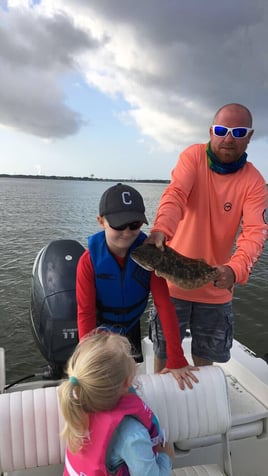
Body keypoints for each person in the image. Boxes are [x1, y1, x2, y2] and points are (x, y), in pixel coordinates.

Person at [146, 103, 268, 367]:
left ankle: (200, 404)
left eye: (238, 132)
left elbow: (255, 232)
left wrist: (235, 270)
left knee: (205, 363)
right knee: (165, 356)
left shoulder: (255, 182)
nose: (228, 138)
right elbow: (176, 194)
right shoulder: (193, 157)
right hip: (171, 284)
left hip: (216, 287)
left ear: (249, 136)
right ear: (211, 131)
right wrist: (161, 229)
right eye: (223, 130)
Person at [76, 182, 198, 389]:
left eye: (134, 225)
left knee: (128, 378)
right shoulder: (88, 261)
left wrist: (176, 358)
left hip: (131, 326)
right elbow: (85, 313)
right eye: (118, 224)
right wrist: (85, 360)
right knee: (101, 380)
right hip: (99, 329)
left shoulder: (150, 257)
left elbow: (164, 306)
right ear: (101, 221)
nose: (127, 232)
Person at [58, 331, 174, 476]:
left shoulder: (78, 404)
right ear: (127, 381)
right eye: (131, 358)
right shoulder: (133, 434)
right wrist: (166, 457)